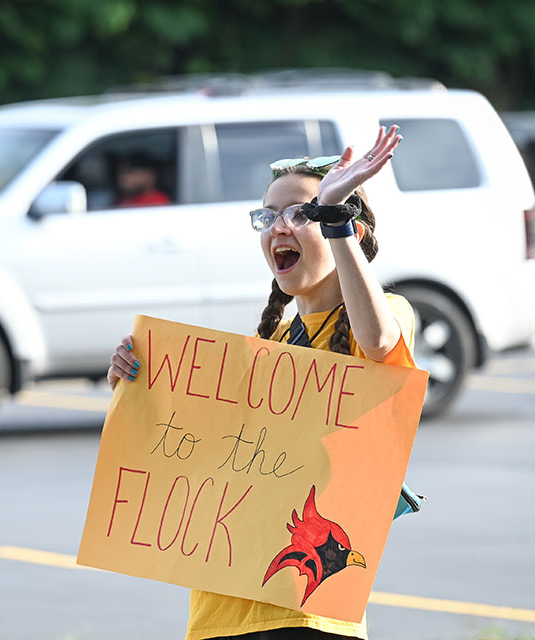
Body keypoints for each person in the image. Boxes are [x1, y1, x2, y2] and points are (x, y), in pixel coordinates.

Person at [106, 125, 413, 639]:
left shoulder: (390, 315)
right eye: (268, 216)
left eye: (300, 213)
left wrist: (333, 215)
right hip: (220, 615)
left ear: (351, 230)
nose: (278, 228)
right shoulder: (263, 344)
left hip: (306, 616)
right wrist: (133, 387)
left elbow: (380, 342)